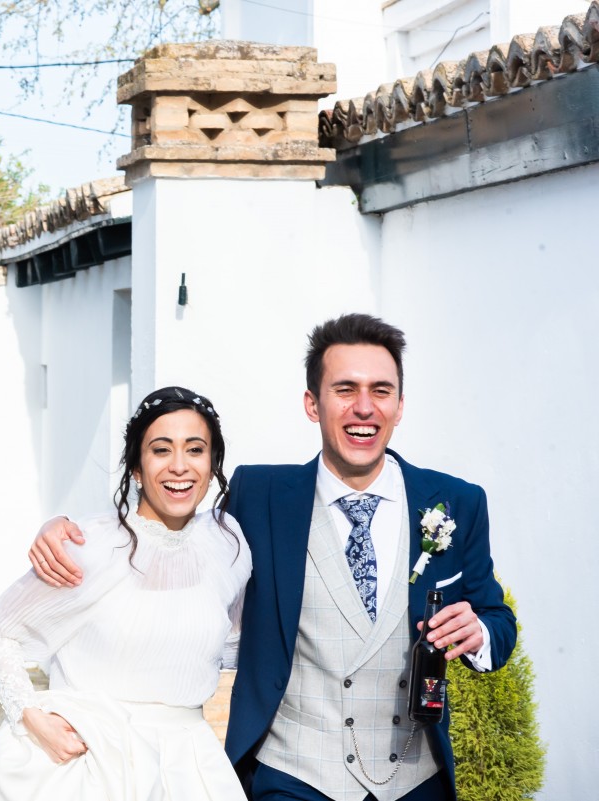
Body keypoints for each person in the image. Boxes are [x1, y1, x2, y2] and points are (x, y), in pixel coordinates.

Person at [28, 314, 517, 801]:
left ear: (400, 404)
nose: (364, 407)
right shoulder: (259, 493)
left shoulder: (457, 501)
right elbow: (171, 535)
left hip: (416, 779)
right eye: (344, 389)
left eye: (381, 391)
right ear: (312, 403)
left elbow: (498, 620)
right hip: (293, 776)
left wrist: (479, 635)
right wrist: (75, 534)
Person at [0, 386, 252, 801]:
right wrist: (31, 716)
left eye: (195, 450)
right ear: (137, 468)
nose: (180, 466)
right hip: (93, 765)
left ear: (212, 465)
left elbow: (230, 645)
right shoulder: (88, 545)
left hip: (189, 765)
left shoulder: (228, 546)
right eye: (161, 450)